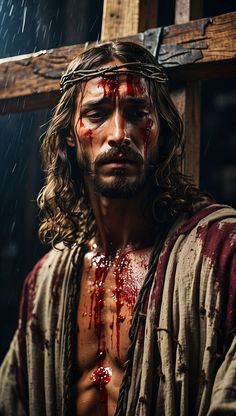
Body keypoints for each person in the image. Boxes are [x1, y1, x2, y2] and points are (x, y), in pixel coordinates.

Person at [0, 41, 235, 416]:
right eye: (97, 113)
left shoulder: (223, 254)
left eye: (137, 111)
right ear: (69, 138)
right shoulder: (47, 284)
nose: (119, 133)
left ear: (162, 133)